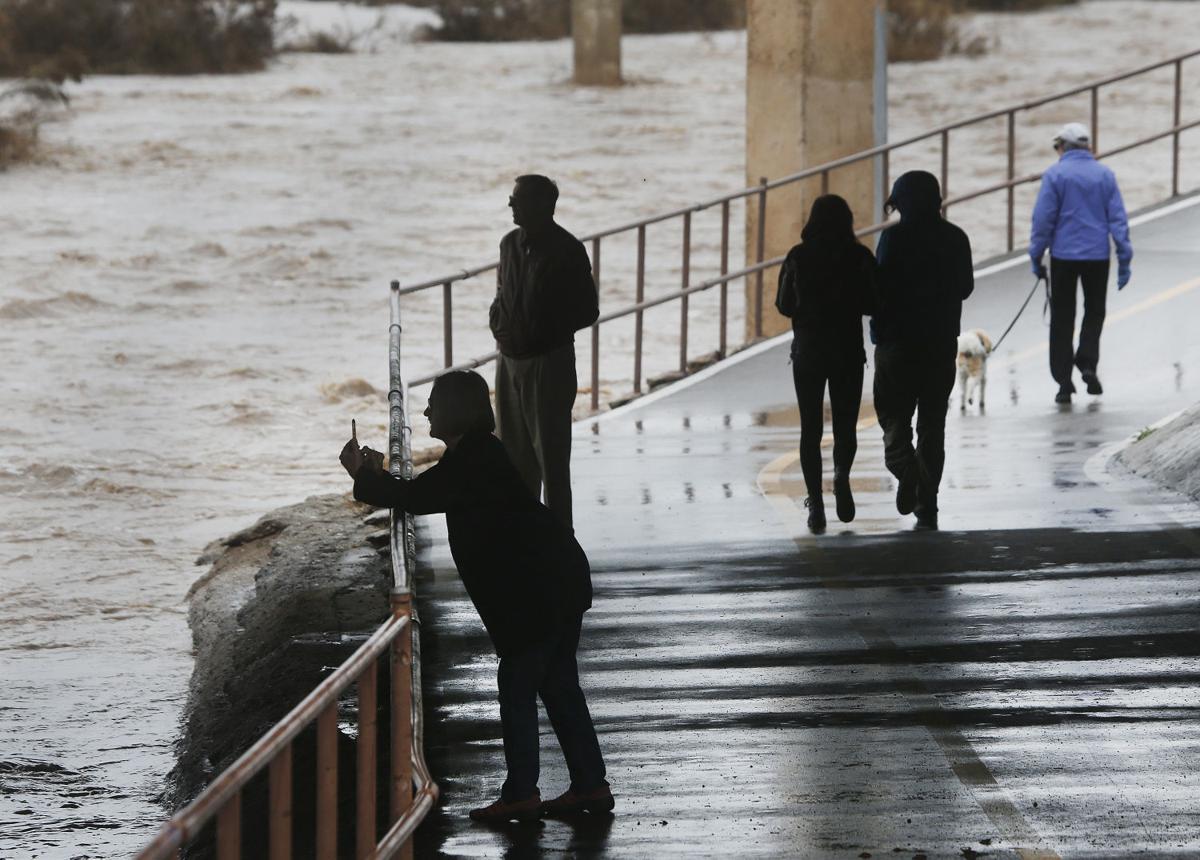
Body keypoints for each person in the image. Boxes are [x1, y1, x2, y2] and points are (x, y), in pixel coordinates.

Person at [339, 370, 612, 823]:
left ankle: (523, 792)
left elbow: (419, 497)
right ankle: (589, 784)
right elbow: (423, 491)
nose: (425, 411)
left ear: (456, 411)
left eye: (433, 404)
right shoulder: (478, 455)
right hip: (556, 580)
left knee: (519, 684)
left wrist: (364, 476)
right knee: (558, 685)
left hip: (540, 590)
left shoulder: (474, 460)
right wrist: (376, 475)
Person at [489, 175, 599, 529]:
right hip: (508, 360)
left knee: (551, 460)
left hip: (549, 363)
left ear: (542, 206)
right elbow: (501, 291)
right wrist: (500, 325)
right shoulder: (508, 245)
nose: (510, 205)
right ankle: (524, 536)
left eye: (517, 199)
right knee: (513, 457)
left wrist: (542, 329)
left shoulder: (567, 250)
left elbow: (587, 310)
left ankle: (559, 538)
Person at [871, 171, 974, 531]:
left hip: (896, 344)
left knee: (892, 416)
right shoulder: (955, 237)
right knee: (933, 423)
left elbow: (878, 286)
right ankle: (926, 501)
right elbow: (965, 288)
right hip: (939, 343)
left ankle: (906, 471)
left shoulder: (893, 239)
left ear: (899, 202)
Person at [775, 194, 876, 534]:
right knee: (845, 426)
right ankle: (842, 476)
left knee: (810, 429)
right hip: (847, 351)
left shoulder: (798, 257)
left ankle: (815, 504)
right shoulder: (859, 256)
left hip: (809, 353)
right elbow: (875, 302)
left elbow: (783, 305)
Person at [1029, 122, 1132, 404]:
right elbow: (1118, 219)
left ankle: (1064, 383)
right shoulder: (1104, 175)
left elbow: (1043, 220)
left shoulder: (1055, 175)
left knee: (1062, 317)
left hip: (1063, 257)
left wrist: (1036, 256)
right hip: (1097, 256)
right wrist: (1124, 257)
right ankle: (1087, 363)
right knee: (1094, 311)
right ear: (1087, 147)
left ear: (1063, 146)